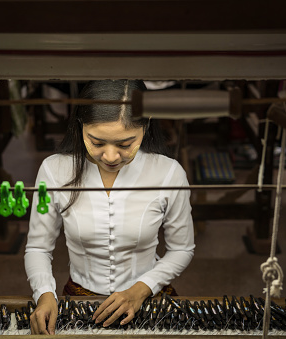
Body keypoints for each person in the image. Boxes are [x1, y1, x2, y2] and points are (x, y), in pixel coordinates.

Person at [24, 80, 195, 335]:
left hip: (147, 298)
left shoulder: (169, 174)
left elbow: (182, 249)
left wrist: (139, 290)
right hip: (80, 297)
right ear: (81, 126)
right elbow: (38, 247)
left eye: (125, 144)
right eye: (96, 142)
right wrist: (45, 294)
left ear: (145, 127)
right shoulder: (54, 171)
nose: (111, 156)